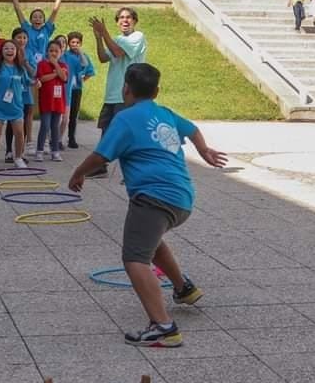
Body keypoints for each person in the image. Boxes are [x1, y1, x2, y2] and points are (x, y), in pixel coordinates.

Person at [68, 63, 227, 347]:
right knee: (150, 243)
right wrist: (204, 151)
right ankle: (184, 289)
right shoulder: (164, 113)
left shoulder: (125, 119)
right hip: (182, 198)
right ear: (157, 91)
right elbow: (192, 129)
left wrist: (78, 172)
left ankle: (164, 327)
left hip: (153, 199)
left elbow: (101, 156)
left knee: (134, 258)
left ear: (125, 88)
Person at [88, 6, 147, 178]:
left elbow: (118, 52)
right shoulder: (116, 39)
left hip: (128, 95)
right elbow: (103, 57)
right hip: (112, 94)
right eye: (121, 18)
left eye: (128, 17)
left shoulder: (138, 37)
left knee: (126, 133)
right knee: (106, 131)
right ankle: (100, 167)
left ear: (134, 21)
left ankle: (138, 170)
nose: (125, 20)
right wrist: (99, 38)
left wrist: (104, 32)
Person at [0, 40, 31, 171]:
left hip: (16, 106)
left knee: (20, 133)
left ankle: (18, 158)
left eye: (12, 49)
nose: (9, 51)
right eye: (6, 49)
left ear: (16, 52)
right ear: (2, 52)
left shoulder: (20, 68)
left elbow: (28, 81)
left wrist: (36, 83)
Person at [9, 0, 65, 68]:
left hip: (43, 64)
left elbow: (55, 10)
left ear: (43, 20)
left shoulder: (46, 29)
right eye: (34, 17)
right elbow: (17, 9)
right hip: (28, 63)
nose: (37, 19)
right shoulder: (26, 28)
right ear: (30, 20)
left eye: (40, 17)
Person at [4, 27, 35, 163]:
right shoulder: (10, 52)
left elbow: (33, 73)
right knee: (12, 121)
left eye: (24, 37)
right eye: (19, 37)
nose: (22, 40)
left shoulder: (30, 53)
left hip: (26, 92)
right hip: (13, 93)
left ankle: (20, 152)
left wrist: (25, 63)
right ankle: (9, 151)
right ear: (13, 39)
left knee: (24, 123)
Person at [34, 41, 69, 162]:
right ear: (47, 52)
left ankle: (55, 151)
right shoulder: (42, 64)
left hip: (58, 101)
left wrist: (56, 65)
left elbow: (64, 77)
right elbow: (42, 78)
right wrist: (55, 74)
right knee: (45, 125)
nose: (53, 53)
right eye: (51, 51)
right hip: (46, 100)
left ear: (61, 52)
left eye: (56, 51)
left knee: (55, 126)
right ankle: (39, 150)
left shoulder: (63, 65)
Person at [63, 31, 96, 148]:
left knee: (74, 114)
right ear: (69, 43)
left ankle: (71, 138)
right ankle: (57, 138)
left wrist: (82, 80)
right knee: (63, 115)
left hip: (76, 89)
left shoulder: (84, 56)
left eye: (77, 42)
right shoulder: (65, 55)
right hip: (65, 89)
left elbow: (90, 71)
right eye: (72, 42)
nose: (75, 45)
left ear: (81, 43)